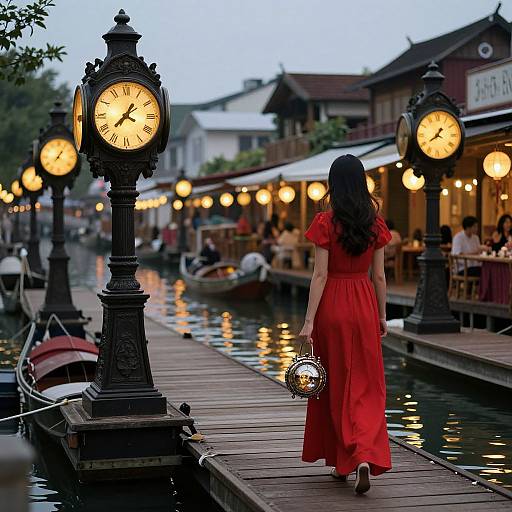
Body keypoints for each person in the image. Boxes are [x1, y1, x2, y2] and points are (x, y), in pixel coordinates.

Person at [299, 154, 392, 495]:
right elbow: (379, 276)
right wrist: (382, 315)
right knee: (367, 385)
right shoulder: (375, 223)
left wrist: (309, 321)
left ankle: (345, 460)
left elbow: (320, 274)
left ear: (333, 184)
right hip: (364, 302)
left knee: (336, 384)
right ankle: (362, 456)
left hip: (333, 304)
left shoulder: (325, 221)